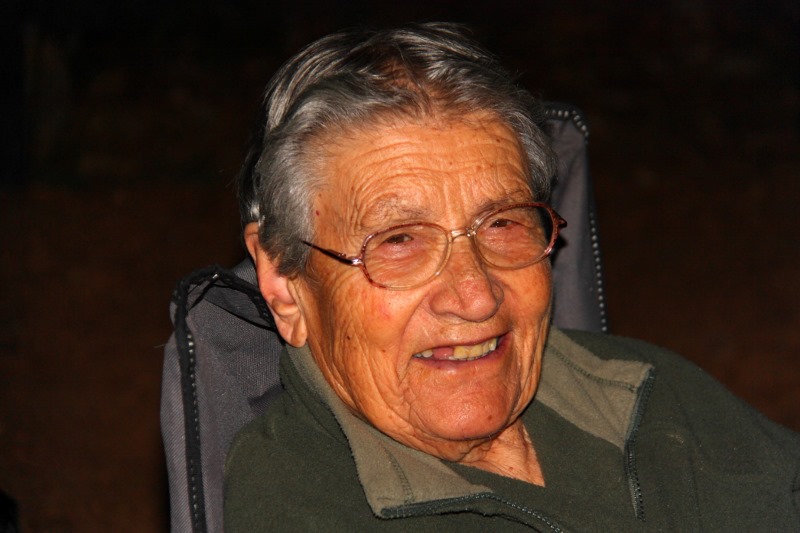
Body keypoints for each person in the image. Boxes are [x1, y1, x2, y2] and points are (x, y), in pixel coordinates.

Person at [224, 23, 800, 531]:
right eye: (399, 240)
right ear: (284, 285)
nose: (476, 296)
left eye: (501, 223)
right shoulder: (310, 509)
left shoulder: (640, 390)